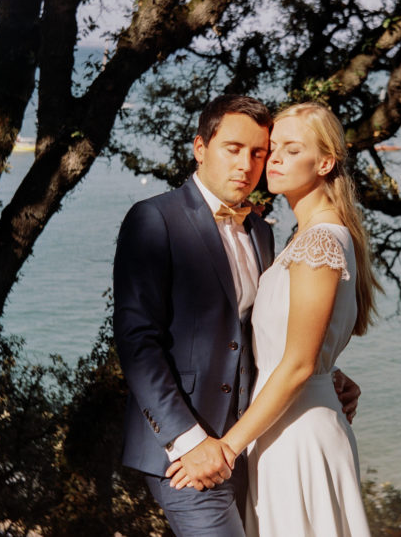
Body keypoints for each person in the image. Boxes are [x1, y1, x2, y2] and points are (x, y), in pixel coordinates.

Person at [112, 95, 360, 536]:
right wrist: (192, 443)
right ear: (200, 148)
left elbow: (264, 328)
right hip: (188, 457)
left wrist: (325, 369)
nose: (248, 164)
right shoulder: (154, 220)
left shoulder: (263, 233)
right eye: (233, 148)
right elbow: (137, 344)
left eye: (258, 153)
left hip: (254, 442)